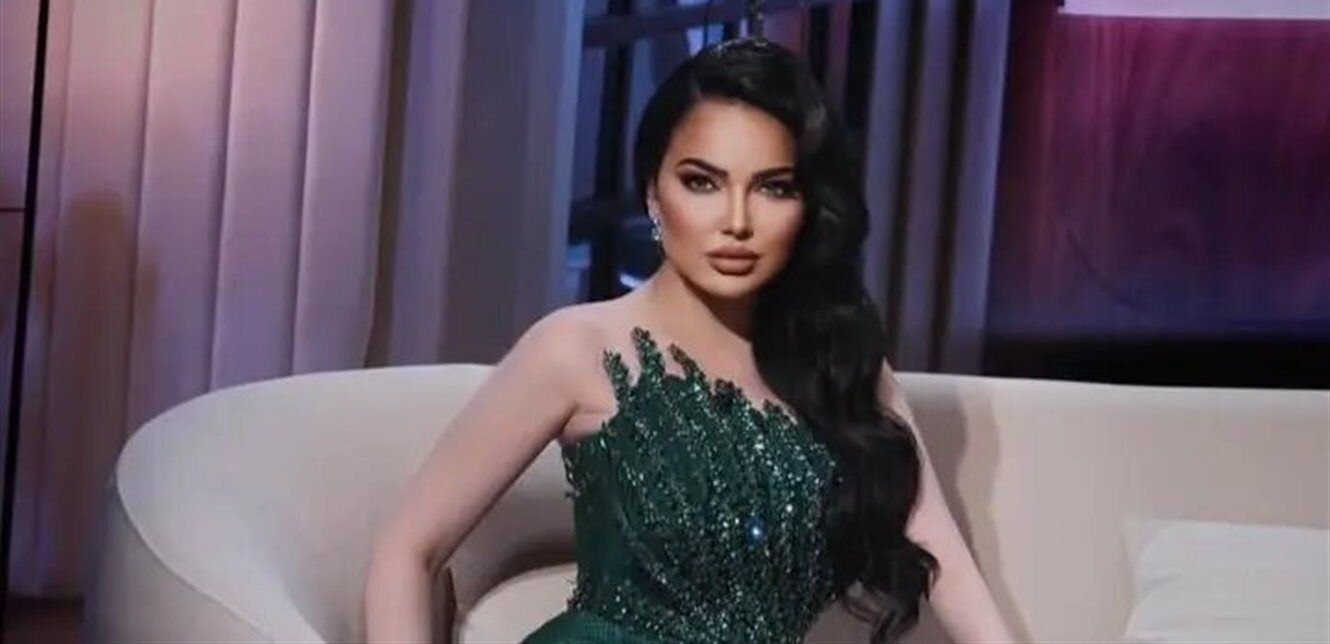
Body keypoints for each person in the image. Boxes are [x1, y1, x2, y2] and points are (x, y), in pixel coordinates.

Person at [364, 37, 1016, 644]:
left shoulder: (840, 363)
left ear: (808, 207)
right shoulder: (576, 349)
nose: (736, 221)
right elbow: (408, 549)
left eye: (773, 188)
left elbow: (944, 562)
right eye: (702, 182)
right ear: (653, 192)